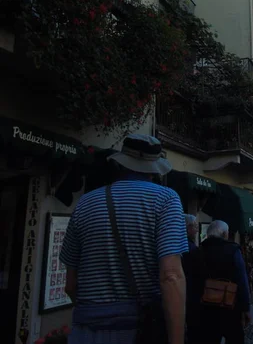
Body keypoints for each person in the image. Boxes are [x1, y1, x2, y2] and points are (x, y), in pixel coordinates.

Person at [60, 134, 188, 344]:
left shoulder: (85, 203)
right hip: (139, 331)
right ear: (155, 169)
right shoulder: (166, 200)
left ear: (121, 164)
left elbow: (70, 285)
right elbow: (171, 276)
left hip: (85, 331)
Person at [185, 220, 251, 344]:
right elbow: (242, 280)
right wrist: (245, 308)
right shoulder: (233, 251)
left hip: (204, 310)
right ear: (225, 234)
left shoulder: (197, 252)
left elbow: (191, 283)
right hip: (230, 307)